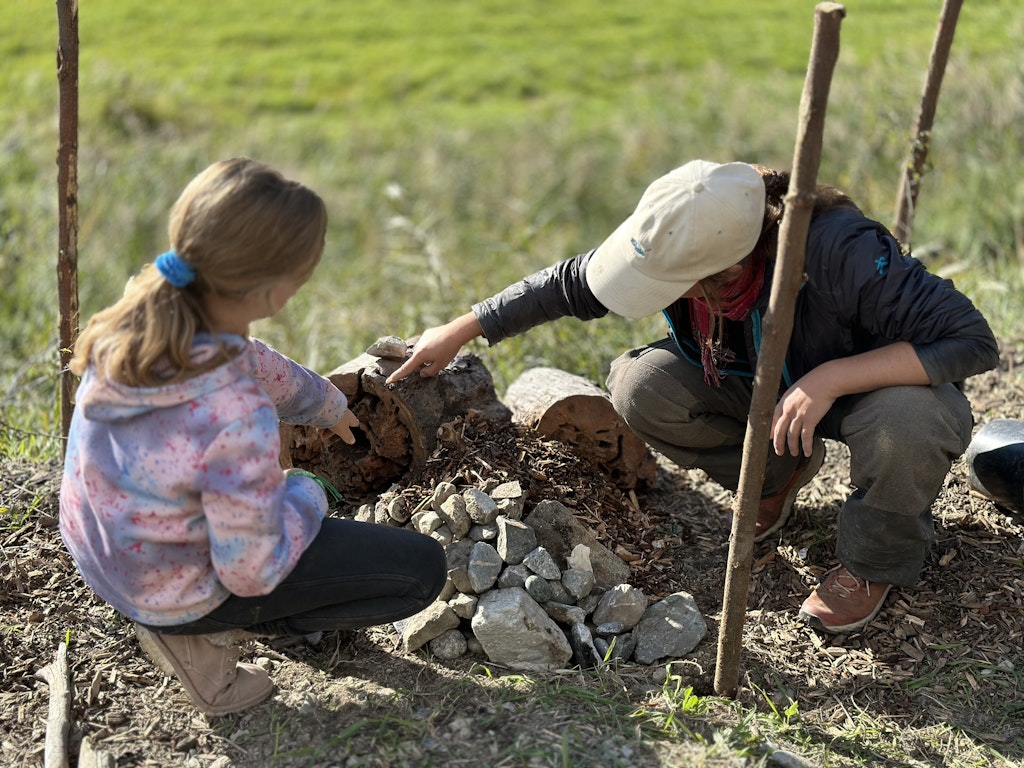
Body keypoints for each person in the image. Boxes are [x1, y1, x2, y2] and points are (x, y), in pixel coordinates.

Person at [387, 159, 999, 634]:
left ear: (730, 268)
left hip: (872, 390)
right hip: (757, 381)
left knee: (909, 422)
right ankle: (774, 476)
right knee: (641, 384)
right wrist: (465, 327)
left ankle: (871, 562)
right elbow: (570, 283)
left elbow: (972, 340)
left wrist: (832, 378)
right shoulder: (682, 227)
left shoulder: (839, 248)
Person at [60, 157, 447, 716]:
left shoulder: (138, 321)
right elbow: (252, 568)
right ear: (273, 291)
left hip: (105, 552)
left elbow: (260, 363)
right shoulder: (231, 410)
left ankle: (189, 617)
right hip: (169, 592)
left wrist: (331, 407)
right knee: (420, 570)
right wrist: (307, 493)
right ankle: (203, 641)